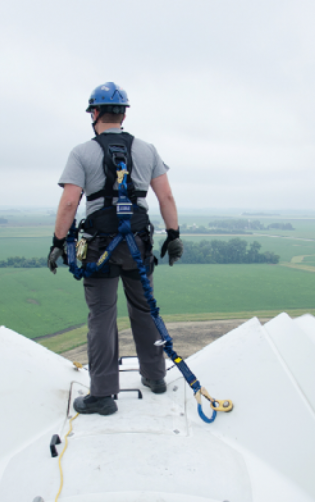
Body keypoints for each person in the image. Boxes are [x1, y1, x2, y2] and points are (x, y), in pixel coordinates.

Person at [48, 82, 184, 416]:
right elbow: (165, 196)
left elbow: (69, 202)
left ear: (94, 113)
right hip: (138, 244)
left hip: (99, 248)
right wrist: (174, 234)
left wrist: (57, 243)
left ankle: (103, 394)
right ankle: (154, 378)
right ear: (124, 113)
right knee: (145, 310)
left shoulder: (82, 152)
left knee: (102, 318)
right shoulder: (147, 150)